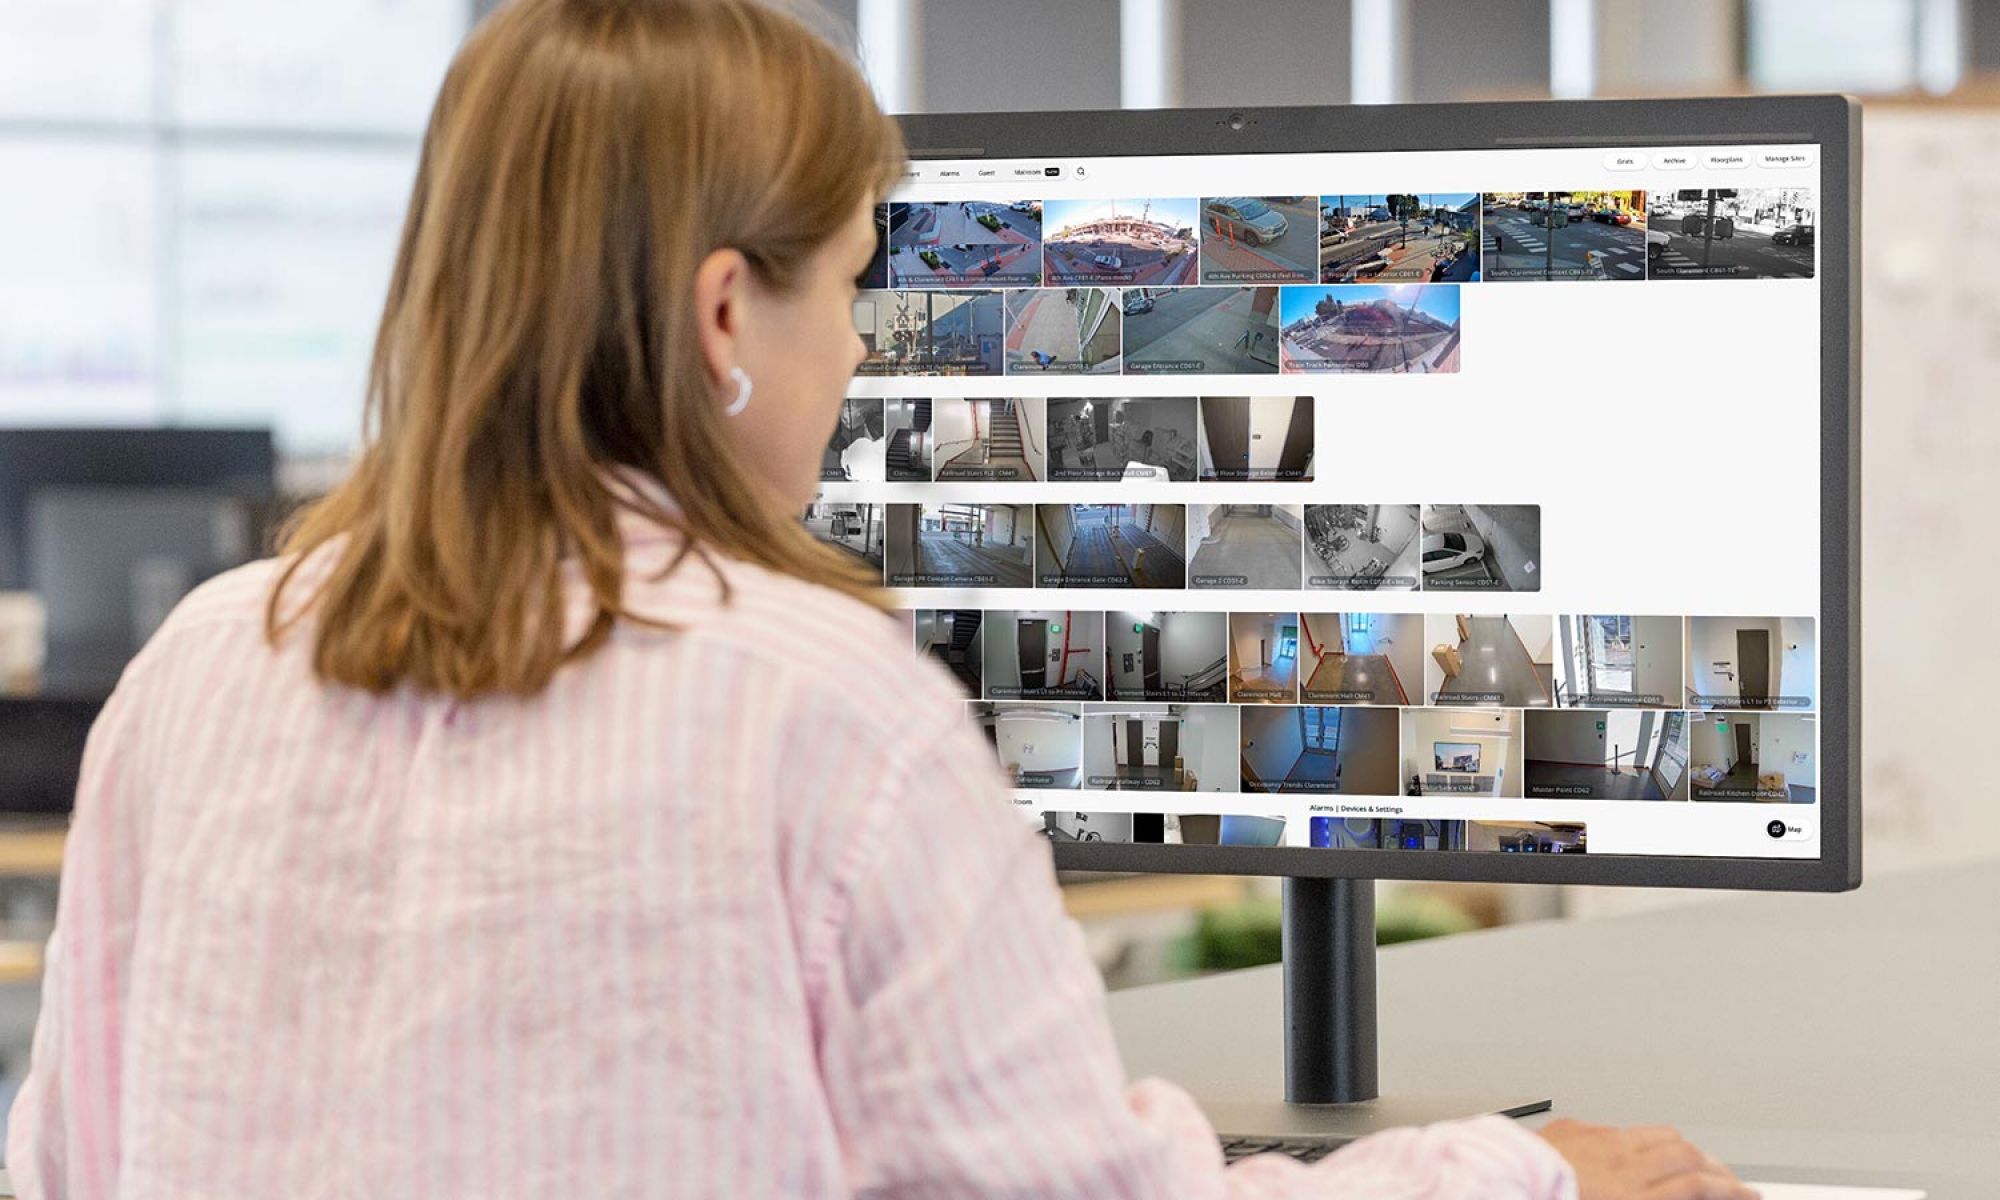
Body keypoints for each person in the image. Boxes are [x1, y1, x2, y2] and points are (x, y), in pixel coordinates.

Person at [7, 2, 1756, 1198]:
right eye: (847, 284)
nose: (857, 349)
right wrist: (1519, 1168)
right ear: (718, 321)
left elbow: (65, 1165)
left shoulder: (197, 669)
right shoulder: (816, 707)